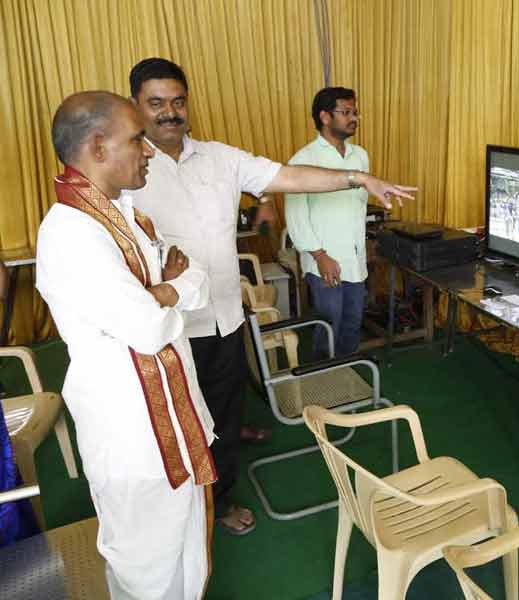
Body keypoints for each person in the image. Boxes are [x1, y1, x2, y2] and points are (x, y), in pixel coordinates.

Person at [126, 58, 414, 536]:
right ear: (137, 105)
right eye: (156, 103)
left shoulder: (219, 157)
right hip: (170, 325)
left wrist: (360, 179)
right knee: (177, 422)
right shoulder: (130, 169)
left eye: (177, 101)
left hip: (224, 314)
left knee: (226, 402)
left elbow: (290, 178)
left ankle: (220, 499)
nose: (169, 113)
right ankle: (184, 509)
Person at [36, 91, 213, 599]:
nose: (150, 149)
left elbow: (194, 280)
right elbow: (147, 328)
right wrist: (163, 294)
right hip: (133, 437)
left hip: (174, 422)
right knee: (146, 566)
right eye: (136, 138)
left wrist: (160, 293)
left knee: (186, 556)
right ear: (97, 146)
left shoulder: (126, 217)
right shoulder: (70, 233)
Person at [284, 87, 370, 359]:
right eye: (346, 112)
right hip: (325, 261)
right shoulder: (303, 160)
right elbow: (296, 217)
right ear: (324, 116)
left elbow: (358, 206)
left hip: (355, 259)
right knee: (328, 325)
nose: (354, 117)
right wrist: (320, 256)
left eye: (355, 112)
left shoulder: (360, 155)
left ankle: (348, 378)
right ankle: (323, 382)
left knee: (352, 323)